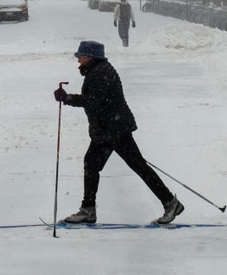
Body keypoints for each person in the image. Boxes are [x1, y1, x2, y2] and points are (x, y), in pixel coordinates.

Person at [53, 40, 183, 225]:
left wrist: (68, 98)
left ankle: (170, 202)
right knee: (100, 164)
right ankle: (88, 209)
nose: (78, 61)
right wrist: (69, 98)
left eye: (80, 57)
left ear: (90, 57)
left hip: (114, 130)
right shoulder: (97, 71)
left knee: (131, 166)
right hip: (109, 129)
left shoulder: (101, 73)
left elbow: (93, 101)